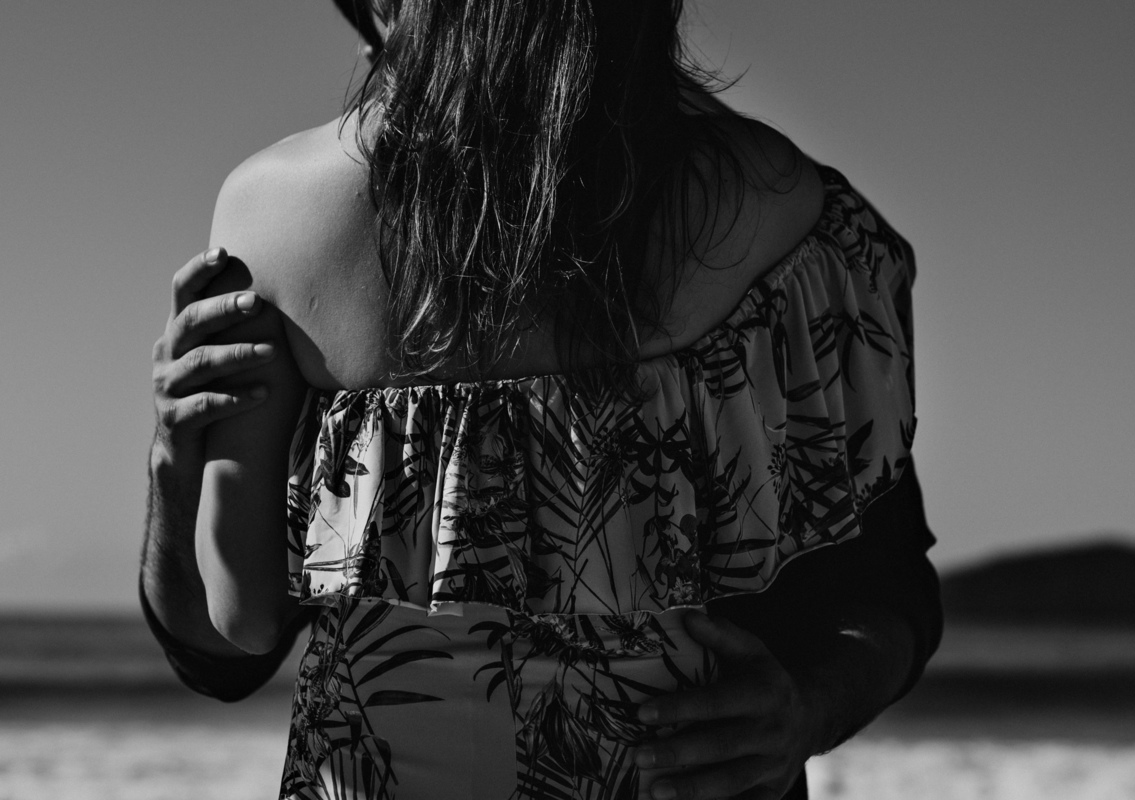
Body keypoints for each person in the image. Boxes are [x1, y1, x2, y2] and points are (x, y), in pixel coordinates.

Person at [141, 2, 942, 798]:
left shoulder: (277, 210)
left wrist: (187, 456)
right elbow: (884, 576)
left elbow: (238, 627)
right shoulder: (789, 214)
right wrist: (802, 709)